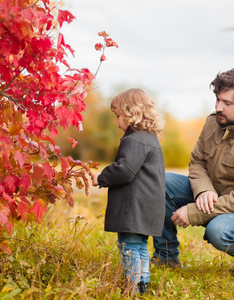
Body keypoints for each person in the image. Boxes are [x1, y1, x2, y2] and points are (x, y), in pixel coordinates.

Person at [151, 68, 234, 277]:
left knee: (218, 231)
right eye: (217, 99)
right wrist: (203, 190)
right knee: (160, 183)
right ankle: (166, 256)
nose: (218, 107)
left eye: (227, 103)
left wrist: (194, 212)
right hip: (214, 195)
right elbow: (197, 161)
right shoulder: (214, 122)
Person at [92, 88, 166, 295]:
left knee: (129, 247)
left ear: (131, 112)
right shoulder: (149, 138)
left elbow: (125, 170)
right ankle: (142, 284)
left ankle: (131, 287)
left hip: (134, 207)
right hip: (147, 206)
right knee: (140, 246)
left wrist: (101, 177)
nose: (116, 121)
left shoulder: (134, 140)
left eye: (117, 116)